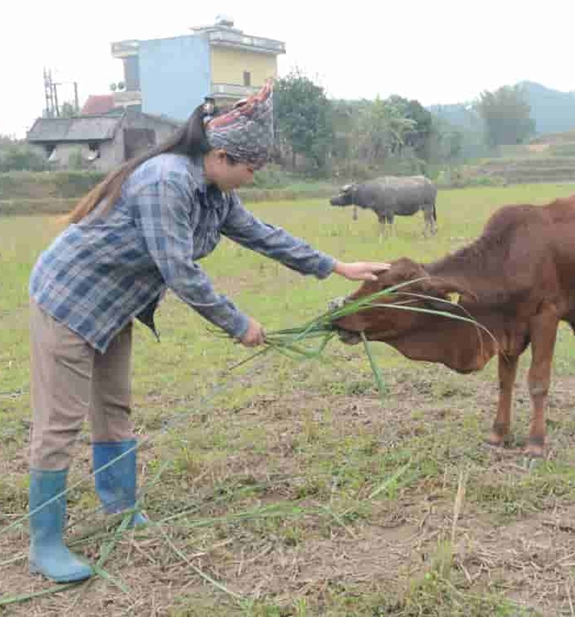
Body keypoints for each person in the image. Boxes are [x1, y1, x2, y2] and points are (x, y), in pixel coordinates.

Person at [26, 81, 389, 583]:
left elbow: (264, 236)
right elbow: (179, 270)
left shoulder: (215, 194)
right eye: (251, 168)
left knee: (114, 407)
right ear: (221, 155)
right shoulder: (165, 183)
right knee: (60, 422)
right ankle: (44, 542)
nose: (253, 178)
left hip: (115, 306)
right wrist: (238, 323)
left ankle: (119, 508)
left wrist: (336, 267)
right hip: (69, 301)